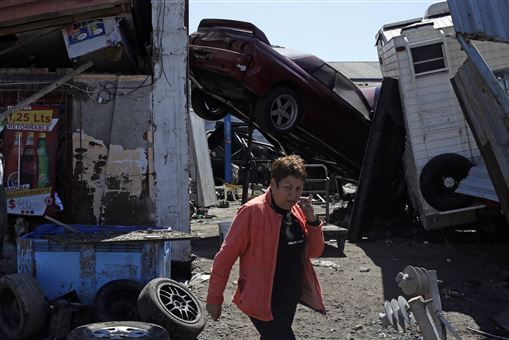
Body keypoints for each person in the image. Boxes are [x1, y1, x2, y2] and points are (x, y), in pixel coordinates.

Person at [206, 154, 326, 340]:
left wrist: (313, 222)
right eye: (287, 188)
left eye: (298, 189)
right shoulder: (252, 212)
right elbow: (225, 256)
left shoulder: (296, 212)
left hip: (289, 296)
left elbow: (314, 252)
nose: (293, 195)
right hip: (261, 299)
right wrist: (214, 298)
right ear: (273, 183)